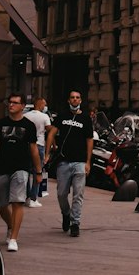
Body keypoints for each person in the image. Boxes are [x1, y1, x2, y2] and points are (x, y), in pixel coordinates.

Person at [0, 93, 42, 251]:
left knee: (17, 202)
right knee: (2, 205)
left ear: (22, 106)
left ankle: (13, 238)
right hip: (2, 168)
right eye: (10, 102)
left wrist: (38, 171)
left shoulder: (28, 125)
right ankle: (11, 225)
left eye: (15, 103)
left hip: (21, 168)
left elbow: (34, 149)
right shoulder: (0, 124)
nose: (11, 105)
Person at [46, 91, 93, 237]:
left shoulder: (85, 119)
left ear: (81, 100)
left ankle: (75, 223)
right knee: (61, 194)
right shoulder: (62, 116)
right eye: (72, 97)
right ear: (68, 100)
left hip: (79, 162)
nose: (75, 99)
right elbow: (52, 133)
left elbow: (89, 140)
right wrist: (47, 153)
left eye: (77, 97)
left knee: (78, 195)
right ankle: (66, 213)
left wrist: (88, 162)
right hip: (63, 162)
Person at [24, 95, 51, 207]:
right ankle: (34, 198)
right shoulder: (44, 117)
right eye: (44, 104)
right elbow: (50, 131)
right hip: (39, 145)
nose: (45, 106)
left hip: (26, 145)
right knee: (37, 172)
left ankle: (26, 196)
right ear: (40, 104)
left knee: (25, 171)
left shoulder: (25, 116)